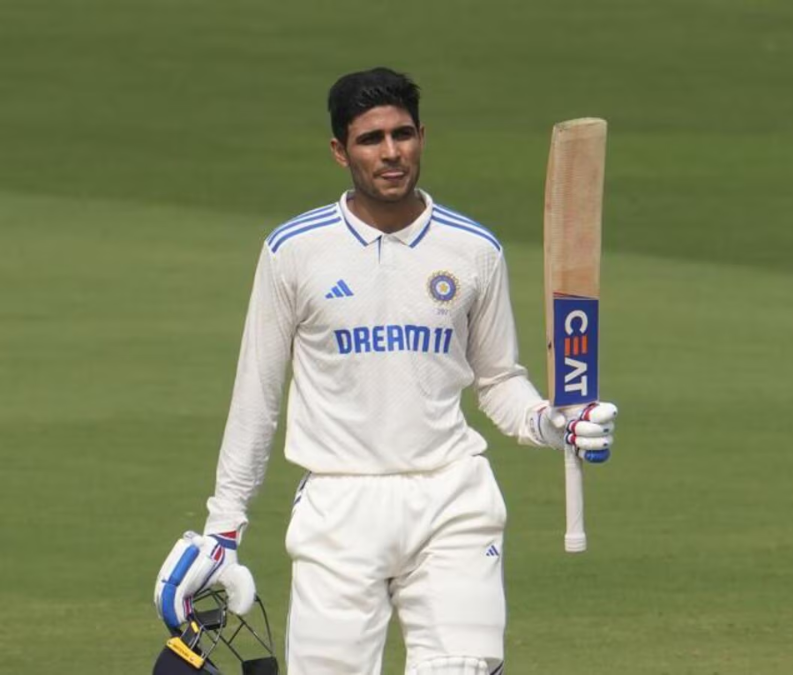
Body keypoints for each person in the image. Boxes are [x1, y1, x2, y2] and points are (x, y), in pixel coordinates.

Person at [154, 67, 618, 675]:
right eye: (371, 139)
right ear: (339, 151)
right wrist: (224, 527)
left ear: (422, 136)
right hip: (338, 506)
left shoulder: (473, 249)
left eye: (403, 134)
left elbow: (499, 379)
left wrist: (553, 422)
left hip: (451, 496)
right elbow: (258, 395)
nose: (391, 152)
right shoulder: (294, 251)